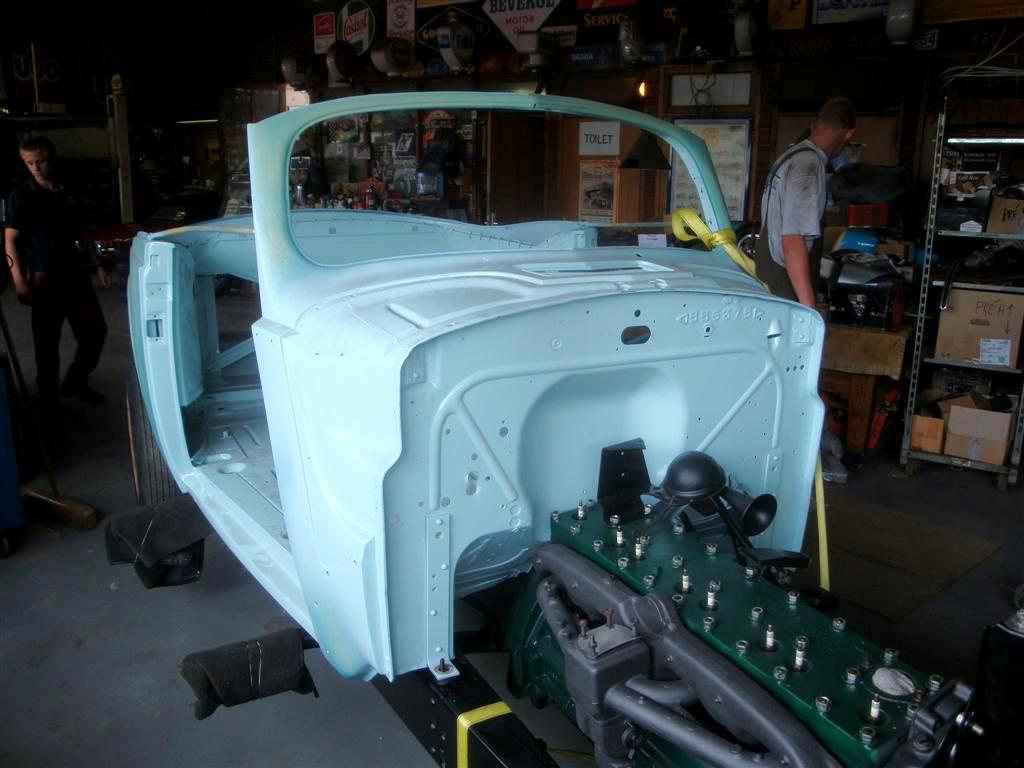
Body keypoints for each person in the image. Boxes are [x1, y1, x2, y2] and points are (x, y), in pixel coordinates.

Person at [5, 136, 111, 406]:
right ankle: (48, 395)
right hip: (44, 278)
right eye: (29, 163)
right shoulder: (21, 198)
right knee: (46, 342)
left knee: (95, 332)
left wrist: (97, 264)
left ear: (52, 158)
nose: (35, 168)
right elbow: (10, 240)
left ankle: (76, 381)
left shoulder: (68, 191)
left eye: (40, 161)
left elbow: (82, 232)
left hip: (75, 273)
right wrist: (19, 280)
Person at [756, 98, 856, 307]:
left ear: (814, 126)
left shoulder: (788, 157)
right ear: (848, 134)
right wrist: (808, 308)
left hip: (770, 276)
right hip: (784, 284)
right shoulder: (808, 166)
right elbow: (793, 240)